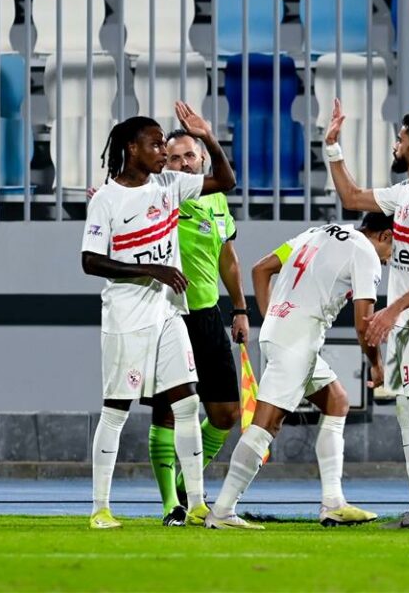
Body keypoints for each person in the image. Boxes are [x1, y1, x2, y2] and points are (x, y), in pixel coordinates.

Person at [81, 102, 236, 529]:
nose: (163, 152)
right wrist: (151, 269)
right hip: (126, 319)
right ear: (131, 149)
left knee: (187, 404)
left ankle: (198, 504)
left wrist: (206, 135)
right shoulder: (108, 199)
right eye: (155, 145)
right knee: (116, 411)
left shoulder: (170, 183)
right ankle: (100, 508)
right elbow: (90, 261)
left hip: (169, 314)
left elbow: (226, 180)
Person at [322, 98, 409, 531]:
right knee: (406, 412)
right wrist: (333, 149)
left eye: (401, 138)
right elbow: (350, 198)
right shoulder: (404, 194)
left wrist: (392, 310)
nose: (396, 144)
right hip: (404, 318)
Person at [205, 213, 394, 530]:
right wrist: (376, 364)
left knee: (337, 401)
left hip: (282, 333)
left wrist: (274, 318)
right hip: (298, 341)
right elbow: (365, 325)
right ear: (386, 235)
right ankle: (222, 511)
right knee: (267, 425)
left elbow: (261, 268)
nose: (389, 261)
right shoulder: (365, 253)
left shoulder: (319, 232)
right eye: (393, 250)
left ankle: (333, 503)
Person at [145, 129, 249, 526]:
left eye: (190, 156)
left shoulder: (219, 201)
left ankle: (190, 487)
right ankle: (173, 503)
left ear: (203, 161)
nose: (183, 163)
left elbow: (229, 259)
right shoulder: (161, 195)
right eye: (174, 158)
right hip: (167, 314)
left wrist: (240, 310)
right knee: (169, 414)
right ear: (165, 165)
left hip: (207, 316)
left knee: (225, 414)